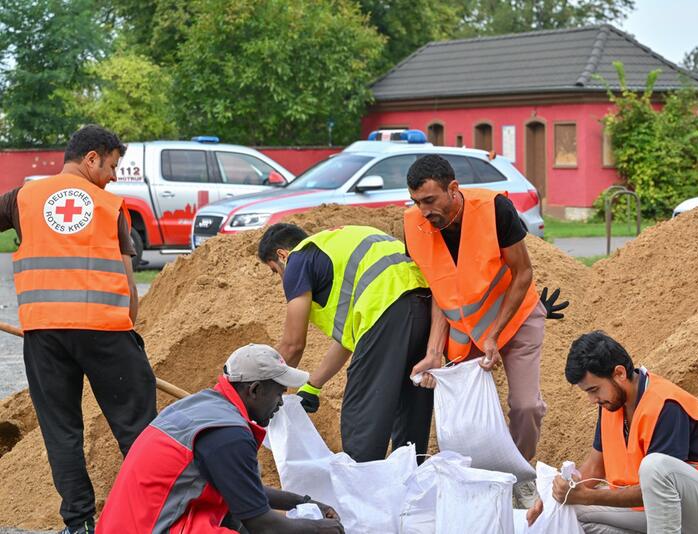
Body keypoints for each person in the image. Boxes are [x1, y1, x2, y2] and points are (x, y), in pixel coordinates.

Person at [0, 125, 157, 534]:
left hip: (44, 336)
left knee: (62, 431)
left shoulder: (22, 198)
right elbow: (127, 280)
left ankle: (79, 523)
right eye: (112, 166)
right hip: (105, 330)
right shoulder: (109, 206)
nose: (113, 176)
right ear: (92, 158)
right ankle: (157, 515)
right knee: (138, 429)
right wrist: (129, 331)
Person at [403, 154, 548, 507]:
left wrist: (495, 335)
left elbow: (523, 273)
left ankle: (520, 476)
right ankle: (479, 480)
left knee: (525, 406)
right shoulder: (414, 226)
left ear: (453, 189)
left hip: (514, 319)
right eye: (416, 202)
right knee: (464, 415)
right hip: (465, 329)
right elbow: (439, 289)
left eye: (429, 200)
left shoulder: (494, 209)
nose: (422, 211)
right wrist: (435, 351)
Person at [97, 344, 344, 533]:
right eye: (279, 393)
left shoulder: (204, 407)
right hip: (151, 527)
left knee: (232, 515)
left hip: (132, 524)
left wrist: (302, 502)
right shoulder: (229, 434)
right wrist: (319, 528)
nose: (281, 402)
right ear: (255, 390)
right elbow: (262, 524)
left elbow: (245, 490)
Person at [527, 331, 698, 534]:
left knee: (655, 466)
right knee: (568, 515)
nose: (592, 400)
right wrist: (553, 498)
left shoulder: (666, 404)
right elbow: (595, 466)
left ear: (619, 373)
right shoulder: (611, 404)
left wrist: (589, 496)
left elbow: (656, 487)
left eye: (594, 390)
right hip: (657, 511)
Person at [259, 223, 433, 462]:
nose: (280, 278)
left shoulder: (298, 259)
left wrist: (258, 383)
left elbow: (292, 345)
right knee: (410, 401)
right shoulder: (336, 249)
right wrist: (312, 385)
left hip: (388, 309)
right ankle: (412, 478)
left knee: (361, 410)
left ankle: (360, 485)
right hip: (425, 305)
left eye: (274, 270)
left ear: (282, 255)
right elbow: (350, 340)